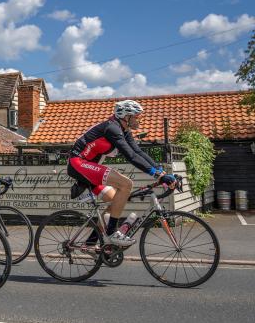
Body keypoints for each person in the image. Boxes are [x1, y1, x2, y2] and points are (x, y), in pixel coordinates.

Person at [67, 100, 177, 247]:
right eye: (136, 116)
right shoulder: (112, 128)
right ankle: (112, 233)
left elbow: (138, 152)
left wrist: (160, 170)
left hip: (90, 166)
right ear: (126, 116)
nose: (139, 119)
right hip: (78, 163)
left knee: (114, 201)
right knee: (126, 184)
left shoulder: (124, 131)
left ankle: (90, 243)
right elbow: (130, 156)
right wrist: (157, 175)